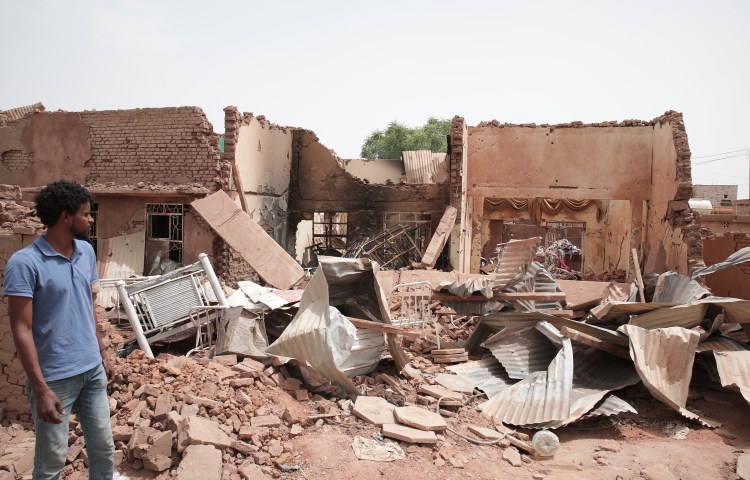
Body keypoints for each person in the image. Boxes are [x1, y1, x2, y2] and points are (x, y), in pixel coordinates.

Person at [4, 180, 114, 480]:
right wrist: (39, 388)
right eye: (86, 214)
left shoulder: (86, 252)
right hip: (54, 377)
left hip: (91, 370)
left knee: (104, 447)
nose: (90, 219)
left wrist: (102, 352)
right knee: (52, 460)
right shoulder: (25, 263)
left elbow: (88, 307)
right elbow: (21, 328)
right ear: (66, 216)